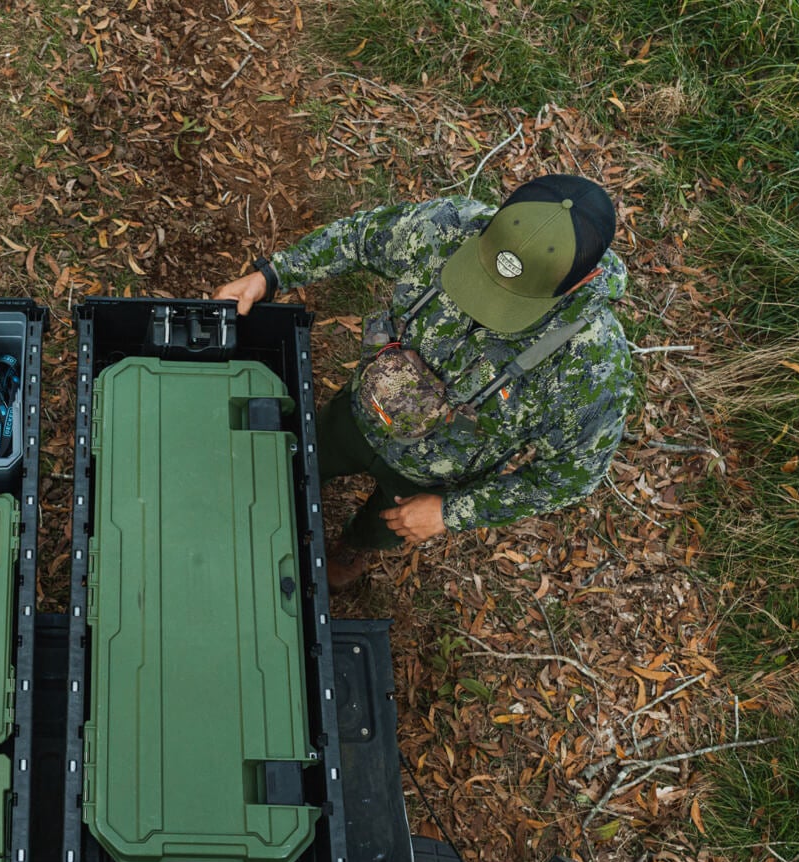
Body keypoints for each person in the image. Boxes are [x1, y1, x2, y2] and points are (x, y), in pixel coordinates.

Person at [214, 174, 632, 589]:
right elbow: (360, 238)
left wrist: (450, 513)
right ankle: (277, 494)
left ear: (584, 280)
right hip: (362, 410)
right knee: (305, 458)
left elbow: (574, 474)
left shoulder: (590, 364)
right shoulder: (447, 227)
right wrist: (272, 275)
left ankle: (353, 545)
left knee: (383, 527)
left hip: (430, 478)